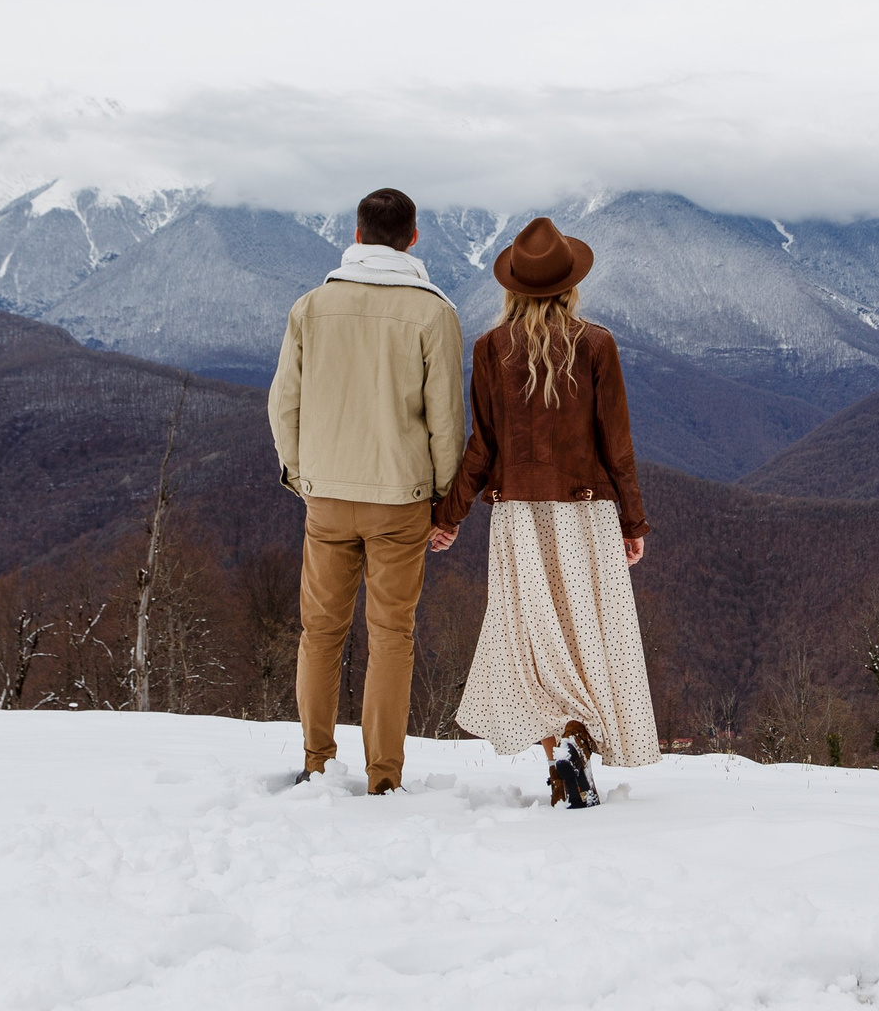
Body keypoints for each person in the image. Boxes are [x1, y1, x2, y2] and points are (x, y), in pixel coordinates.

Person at [433, 216, 660, 808]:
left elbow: (482, 447)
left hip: (518, 519)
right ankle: (578, 742)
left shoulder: (490, 348)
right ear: (569, 285)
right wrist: (633, 522)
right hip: (587, 516)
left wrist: (449, 515)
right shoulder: (597, 344)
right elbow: (618, 445)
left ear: (513, 287)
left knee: (529, 643)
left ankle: (559, 751)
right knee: (587, 638)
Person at [267, 187, 466, 794]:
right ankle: (384, 776)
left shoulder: (311, 307)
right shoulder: (434, 313)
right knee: (390, 637)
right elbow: (446, 422)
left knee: (321, 632)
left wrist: (303, 477)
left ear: (356, 238)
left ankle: (317, 763)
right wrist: (444, 503)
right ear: (412, 240)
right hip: (401, 499)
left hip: (326, 493)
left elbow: (284, 403)